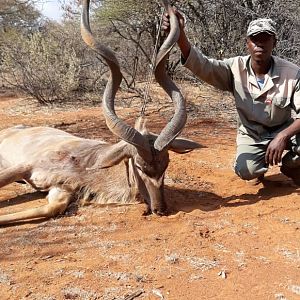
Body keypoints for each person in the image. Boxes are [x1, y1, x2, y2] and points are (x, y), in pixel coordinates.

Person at [162, 12, 300, 185]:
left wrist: (282, 137)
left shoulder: (292, 73)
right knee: (246, 170)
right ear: (247, 43)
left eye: (265, 38)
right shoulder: (234, 68)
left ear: (274, 42)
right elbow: (203, 65)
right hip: (253, 134)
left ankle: (291, 167)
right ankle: (259, 166)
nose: (259, 43)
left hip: (283, 130)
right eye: (254, 39)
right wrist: (180, 34)